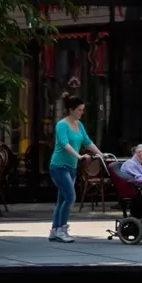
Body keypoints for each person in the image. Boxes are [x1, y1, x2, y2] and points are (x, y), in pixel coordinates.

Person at [48, 94, 103, 243]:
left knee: (62, 200)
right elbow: (64, 143)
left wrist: (101, 154)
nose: (82, 112)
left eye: (82, 110)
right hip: (59, 166)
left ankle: (54, 230)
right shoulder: (62, 125)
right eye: (79, 110)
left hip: (71, 167)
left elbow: (87, 142)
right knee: (70, 197)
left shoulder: (79, 125)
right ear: (71, 110)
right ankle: (61, 229)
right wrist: (79, 156)